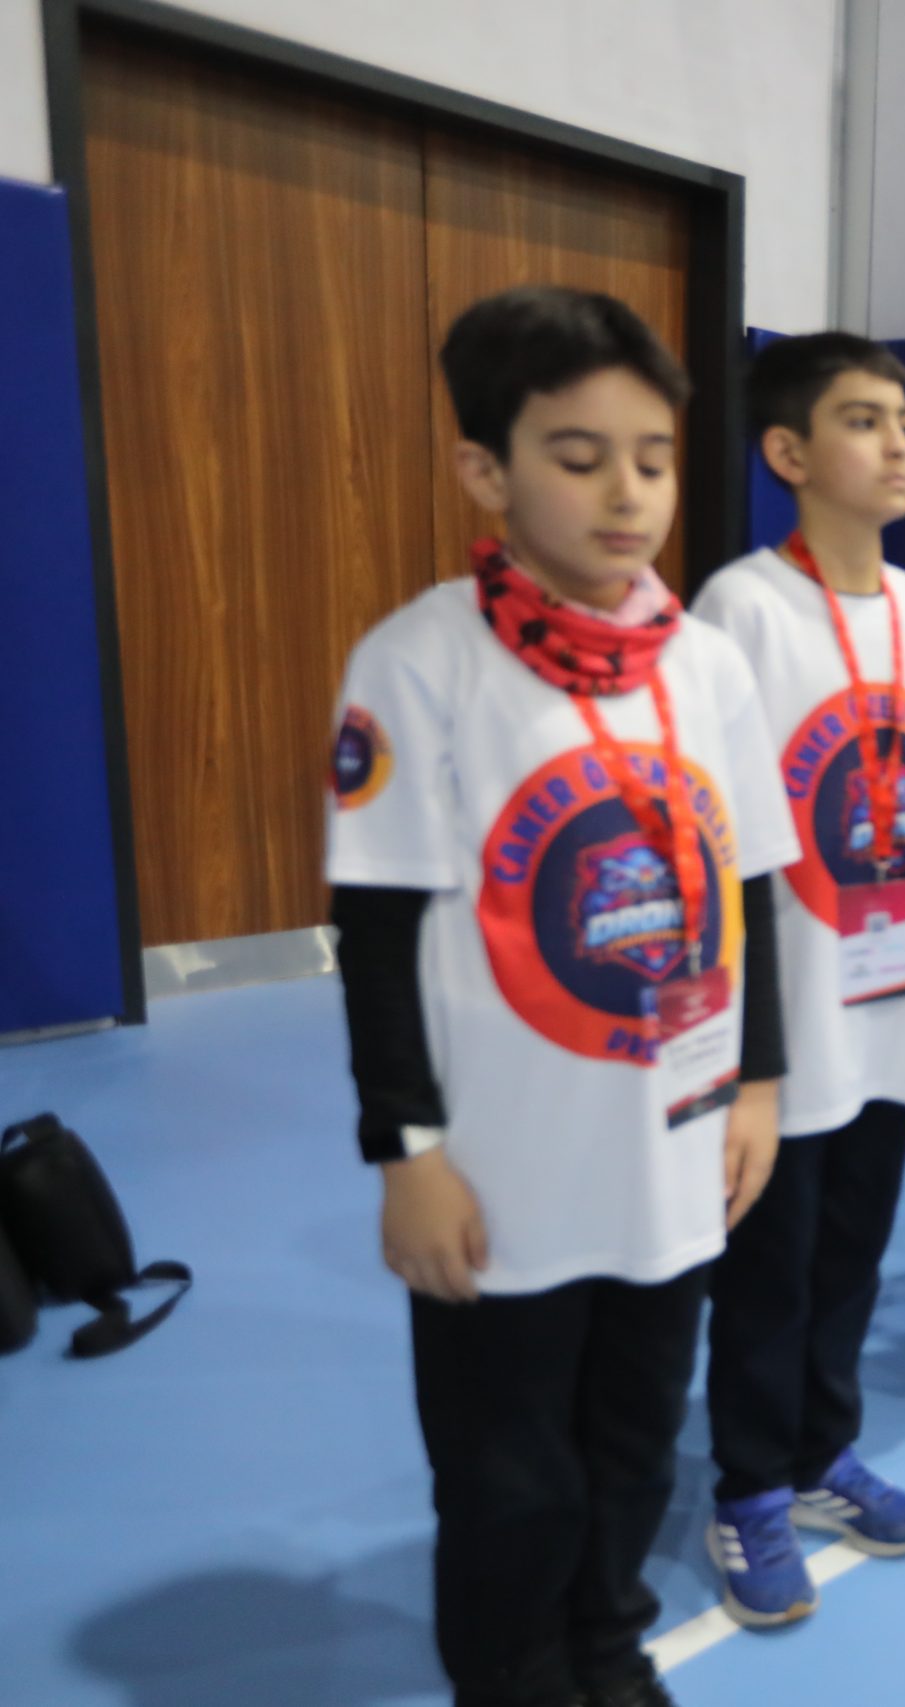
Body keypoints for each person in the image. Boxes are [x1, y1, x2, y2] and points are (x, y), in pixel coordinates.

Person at [326, 286, 801, 1707]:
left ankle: (607, 1643)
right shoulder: (417, 661)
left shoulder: (706, 667)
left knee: (637, 1439)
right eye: (579, 457)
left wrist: (761, 1080)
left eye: (652, 459)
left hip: (671, 1149)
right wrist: (407, 1154)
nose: (627, 493)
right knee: (506, 1468)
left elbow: (751, 887)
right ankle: (514, 1670)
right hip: (502, 1168)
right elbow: (376, 932)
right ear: (486, 470)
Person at [688, 334, 905, 1626]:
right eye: (863, 420)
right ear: (788, 453)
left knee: (855, 1245)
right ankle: (749, 1484)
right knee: (770, 1260)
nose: (899, 443)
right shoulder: (740, 610)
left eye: (902, 419)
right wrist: (739, 1048)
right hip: (788, 1012)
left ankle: (820, 1451)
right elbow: (719, 842)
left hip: (893, 998)